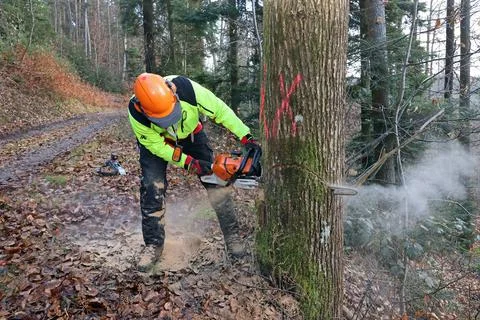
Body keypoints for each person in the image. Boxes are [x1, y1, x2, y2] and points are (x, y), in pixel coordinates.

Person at [128, 73, 261, 271]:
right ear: (143, 109)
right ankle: (153, 245)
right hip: (158, 145)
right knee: (151, 186)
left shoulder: (188, 90)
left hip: (191, 134)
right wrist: (189, 162)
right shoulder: (136, 112)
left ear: (173, 93)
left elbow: (219, 110)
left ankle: (233, 239)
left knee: (217, 181)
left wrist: (246, 136)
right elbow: (158, 147)